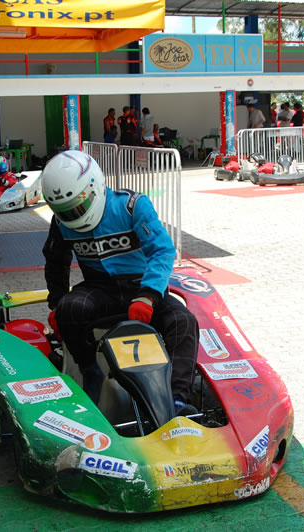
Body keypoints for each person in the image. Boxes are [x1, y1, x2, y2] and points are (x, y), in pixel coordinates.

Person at [40, 151, 199, 416]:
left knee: (184, 322)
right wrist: (56, 303)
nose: (72, 215)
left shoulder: (133, 207)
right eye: (64, 211)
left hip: (142, 288)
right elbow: (56, 261)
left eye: (78, 207)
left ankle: (178, 398)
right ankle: (89, 369)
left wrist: (148, 295)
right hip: (99, 289)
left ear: (95, 187)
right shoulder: (61, 223)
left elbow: (162, 251)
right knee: (69, 309)